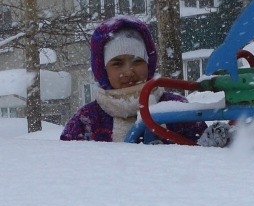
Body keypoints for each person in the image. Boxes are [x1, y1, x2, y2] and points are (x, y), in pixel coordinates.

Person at [60, 16, 207, 143]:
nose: (128, 72)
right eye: (117, 63)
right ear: (103, 70)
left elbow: (206, 155)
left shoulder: (175, 108)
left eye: (137, 61)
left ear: (148, 64)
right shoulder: (86, 120)